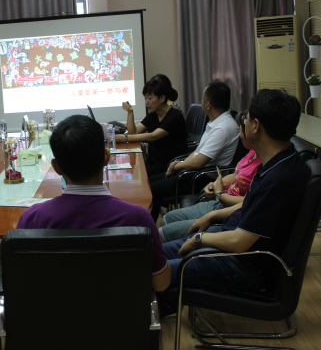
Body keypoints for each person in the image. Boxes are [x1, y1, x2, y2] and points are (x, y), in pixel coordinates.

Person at [158, 89, 309, 316]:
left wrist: (199, 239)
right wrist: (212, 215)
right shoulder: (281, 162)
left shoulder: (278, 178)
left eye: (247, 119)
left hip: (241, 265)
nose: (244, 123)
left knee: (154, 271)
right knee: (155, 256)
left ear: (256, 126)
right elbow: (250, 206)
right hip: (233, 250)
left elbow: (239, 242)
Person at [17, 115, 171, 293]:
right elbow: (161, 283)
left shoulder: (32, 219)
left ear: (56, 167)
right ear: (106, 157)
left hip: (54, 309)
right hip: (119, 310)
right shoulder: (137, 218)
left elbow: (22, 281)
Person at [159, 110, 261, 242]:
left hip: (228, 212)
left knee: (163, 233)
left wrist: (220, 195)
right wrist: (215, 185)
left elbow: (248, 203)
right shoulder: (252, 152)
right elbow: (237, 175)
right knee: (168, 218)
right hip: (220, 203)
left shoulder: (264, 164)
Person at [148, 80, 240, 221]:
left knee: (150, 190)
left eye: (202, 99)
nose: (201, 102)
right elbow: (198, 152)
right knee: (148, 184)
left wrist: (177, 166)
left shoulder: (223, 128)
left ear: (208, 104)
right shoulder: (216, 122)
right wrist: (180, 164)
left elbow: (198, 162)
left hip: (202, 178)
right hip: (192, 173)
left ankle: (148, 228)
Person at [115, 76, 188, 176]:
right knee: (134, 174)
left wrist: (125, 138)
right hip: (154, 163)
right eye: (145, 98)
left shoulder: (175, 116)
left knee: (139, 178)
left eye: (150, 98)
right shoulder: (153, 115)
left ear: (162, 98)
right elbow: (133, 132)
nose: (146, 102)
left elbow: (153, 136)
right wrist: (130, 112)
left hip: (169, 166)